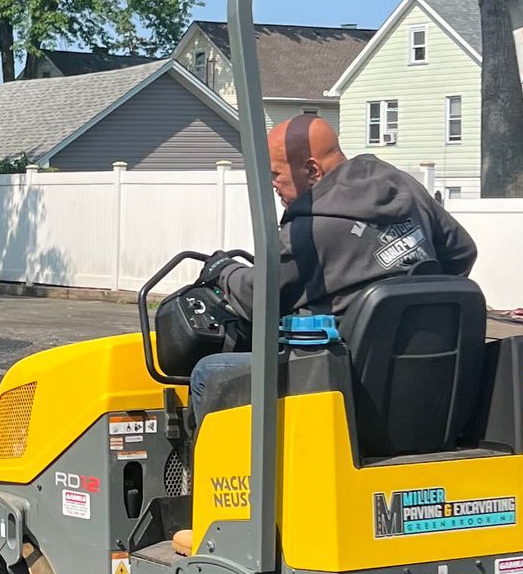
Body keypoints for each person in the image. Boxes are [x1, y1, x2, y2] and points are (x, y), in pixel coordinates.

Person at [187, 112, 479, 434]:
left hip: (343, 379)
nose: (272, 185)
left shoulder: (309, 230)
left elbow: (258, 298)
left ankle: (228, 482)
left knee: (208, 372)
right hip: (428, 376)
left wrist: (223, 271)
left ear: (311, 170)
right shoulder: (404, 187)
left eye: (276, 175)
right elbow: (461, 252)